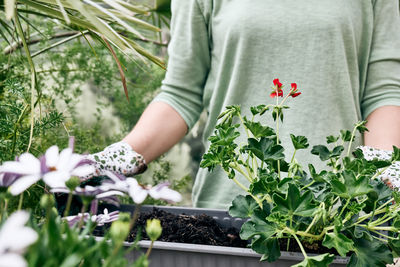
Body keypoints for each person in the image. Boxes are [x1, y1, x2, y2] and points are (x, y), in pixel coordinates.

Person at [87, 0, 400, 209]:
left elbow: (382, 92)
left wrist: (387, 169)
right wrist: (117, 158)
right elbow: (181, 94)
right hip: (229, 210)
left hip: (336, 214)